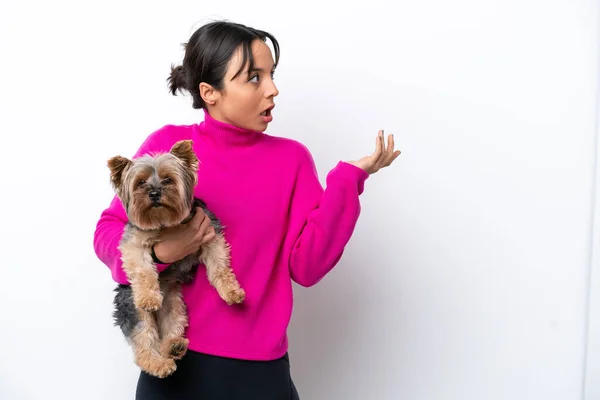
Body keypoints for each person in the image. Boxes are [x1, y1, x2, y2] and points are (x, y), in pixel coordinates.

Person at [93, 20, 400, 399]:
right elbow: (108, 232)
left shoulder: (292, 160)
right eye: (254, 77)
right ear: (210, 92)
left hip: (260, 369)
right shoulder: (169, 148)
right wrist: (160, 253)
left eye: (271, 74)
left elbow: (307, 267)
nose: (272, 89)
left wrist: (347, 182)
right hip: (176, 366)